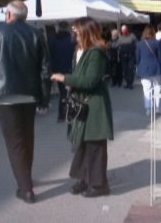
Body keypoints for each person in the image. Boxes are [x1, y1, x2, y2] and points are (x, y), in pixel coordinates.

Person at [0, 0, 50, 204]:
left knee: (14, 143)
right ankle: (26, 176)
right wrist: (44, 99)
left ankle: (26, 188)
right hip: (29, 95)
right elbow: (46, 69)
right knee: (27, 139)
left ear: (8, 15)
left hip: (5, 95)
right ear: (25, 16)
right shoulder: (36, 35)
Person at [50, 17, 113, 198]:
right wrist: (72, 83)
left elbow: (91, 80)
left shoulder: (96, 53)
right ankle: (85, 179)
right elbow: (80, 76)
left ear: (86, 32)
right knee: (82, 144)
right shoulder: (79, 50)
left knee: (95, 146)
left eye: (76, 32)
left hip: (94, 105)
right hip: (82, 102)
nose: (73, 35)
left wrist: (65, 79)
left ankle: (99, 185)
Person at [49, 21, 76, 122]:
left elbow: (49, 54)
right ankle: (67, 113)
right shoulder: (72, 39)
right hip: (69, 68)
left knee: (63, 92)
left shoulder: (52, 39)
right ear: (68, 27)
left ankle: (62, 115)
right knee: (68, 92)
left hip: (56, 69)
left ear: (58, 27)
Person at [136, 25, 161, 116]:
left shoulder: (139, 44)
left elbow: (137, 58)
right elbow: (160, 57)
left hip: (144, 69)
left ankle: (148, 108)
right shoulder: (157, 43)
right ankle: (158, 107)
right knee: (157, 88)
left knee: (146, 90)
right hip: (155, 68)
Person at [118, 24, 137, 89]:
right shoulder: (120, 37)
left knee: (130, 69)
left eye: (125, 30)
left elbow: (136, 44)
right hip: (123, 56)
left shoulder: (132, 36)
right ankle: (127, 83)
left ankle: (130, 83)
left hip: (131, 55)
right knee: (125, 70)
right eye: (123, 30)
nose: (124, 31)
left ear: (127, 30)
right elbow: (118, 46)